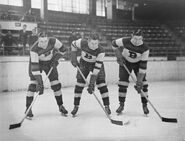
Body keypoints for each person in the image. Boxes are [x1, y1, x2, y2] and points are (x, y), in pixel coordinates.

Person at [25, 32, 68, 119]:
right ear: (38, 41)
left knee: (56, 84)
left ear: (48, 40)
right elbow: (35, 69)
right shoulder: (34, 49)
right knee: (33, 85)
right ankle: (28, 108)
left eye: (45, 41)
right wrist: (40, 84)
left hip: (50, 63)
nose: (43, 44)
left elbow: (64, 50)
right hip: (37, 63)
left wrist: (55, 59)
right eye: (41, 41)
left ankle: (60, 106)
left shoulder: (54, 41)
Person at [70, 32, 111, 116]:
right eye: (92, 43)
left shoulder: (101, 51)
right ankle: (76, 106)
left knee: (102, 84)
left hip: (95, 64)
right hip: (83, 63)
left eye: (96, 43)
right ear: (88, 41)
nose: (94, 46)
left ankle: (107, 106)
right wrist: (73, 57)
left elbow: (96, 69)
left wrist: (92, 83)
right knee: (79, 84)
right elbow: (73, 44)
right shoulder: (82, 42)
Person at [112, 29, 150, 115]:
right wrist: (119, 56)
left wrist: (139, 81)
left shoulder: (145, 48)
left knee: (143, 84)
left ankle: (145, 105)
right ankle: (121, 105)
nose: (137, 41)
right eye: (135, 38)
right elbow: (113, 44)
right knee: (122, 83)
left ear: (142, 38)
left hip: (138, 64)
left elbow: (143, 66)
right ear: (132, 36)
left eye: (139, 39)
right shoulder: (125, 40)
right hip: (125, 62)